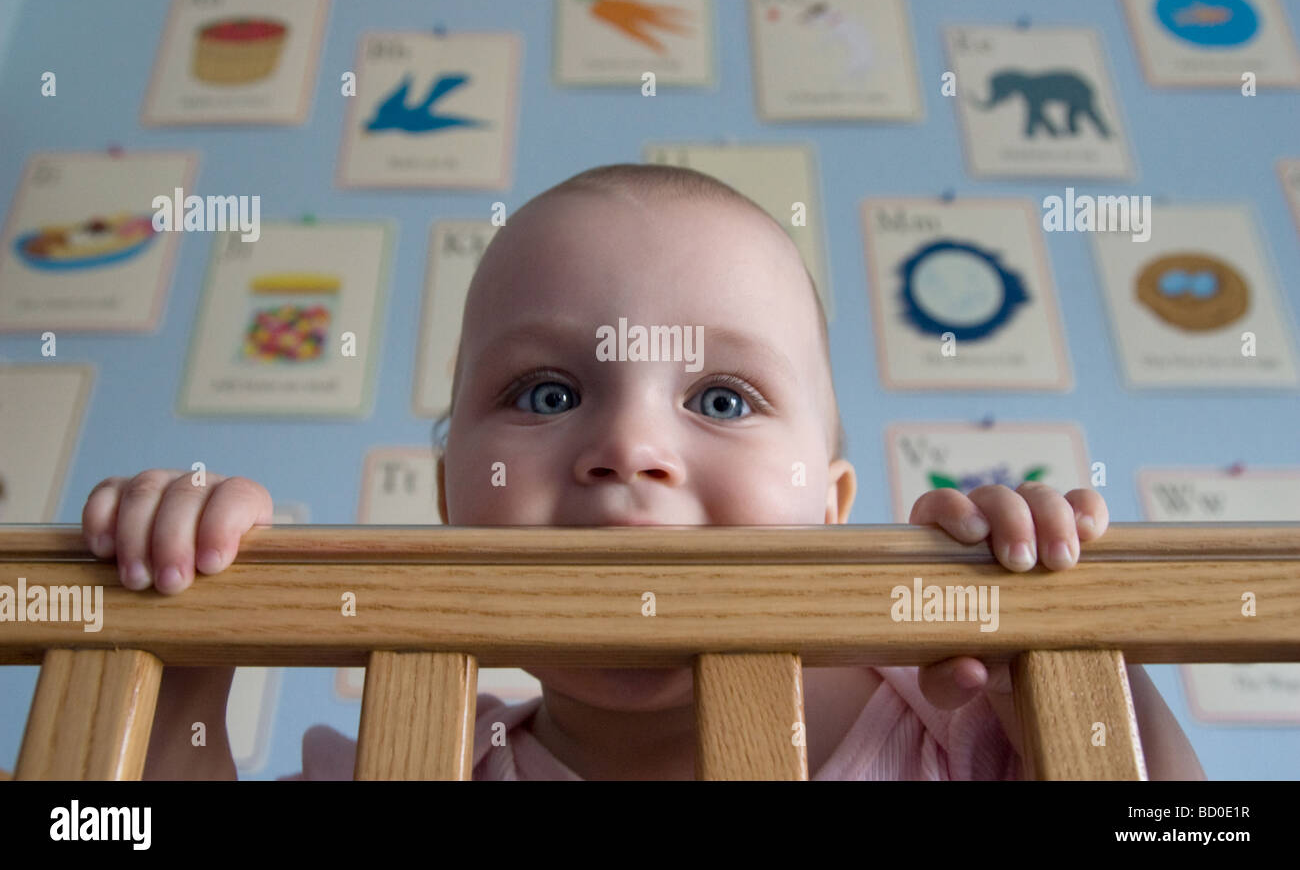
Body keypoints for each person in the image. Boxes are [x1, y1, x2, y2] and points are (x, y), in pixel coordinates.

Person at [80, 164, 1205, 780]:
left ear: (831, 505)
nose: (629, 448)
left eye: (721, 398)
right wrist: (177, 683)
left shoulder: (958, 728)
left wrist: (1072, 662)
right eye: (547, 393)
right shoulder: (410, 757)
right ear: (449, 505)